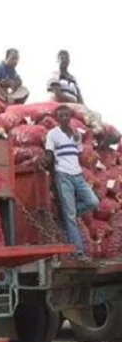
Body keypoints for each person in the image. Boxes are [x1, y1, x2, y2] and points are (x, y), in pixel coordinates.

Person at [44, 105, 99, 260]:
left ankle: (67, 215)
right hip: (63, 176)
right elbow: (49, 154)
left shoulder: (76, 135)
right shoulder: (52, 134)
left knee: (93, 202)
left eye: (66, 115)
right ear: (56, 118)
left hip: (78, 175)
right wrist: (43, 162)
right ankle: (78, 251)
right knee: (71, 215)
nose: (64, 118)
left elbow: (79, 155)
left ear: (70, 117)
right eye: (61, 115)